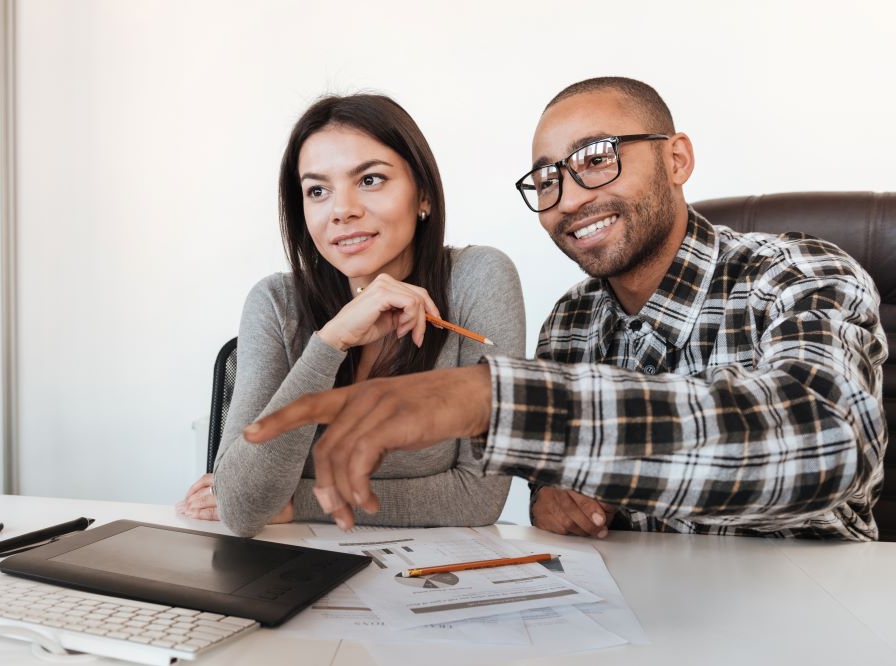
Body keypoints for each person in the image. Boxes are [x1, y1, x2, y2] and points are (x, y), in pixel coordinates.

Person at [244, 77, 888, 541]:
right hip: (637, 612)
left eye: (596, 160)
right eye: (547, 179)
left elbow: (828, 437)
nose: (570, 196)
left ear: (676, 158)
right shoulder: (572, 323)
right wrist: (549, 498)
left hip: (815, 597)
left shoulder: (801, 274)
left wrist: (498, 400)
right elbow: (548, 496)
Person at [177, 94, 525, 536]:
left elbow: (478, 497)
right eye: (318, 191)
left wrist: (300, 501)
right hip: (298, 569)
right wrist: (330, 343)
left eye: (371, 180)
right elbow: (244, 507)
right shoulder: (275, 302)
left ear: (423, 195)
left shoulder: (479, 279)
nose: (342, 210)